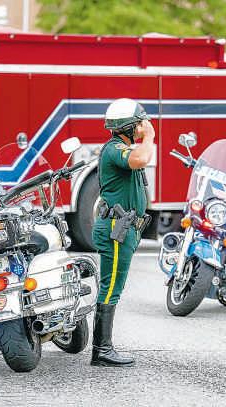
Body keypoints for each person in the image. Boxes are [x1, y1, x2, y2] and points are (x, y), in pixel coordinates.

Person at [91, 98, 155, 366]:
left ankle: (102, 348)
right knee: (111, 288)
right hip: (117, 227)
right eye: (140, 123)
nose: (144, 126)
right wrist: (149, 136)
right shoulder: (115, 148)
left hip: (125, 227)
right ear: (129, 127)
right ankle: (101, 350)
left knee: (114, 286)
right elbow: (140, 159)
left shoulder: (123, 147)